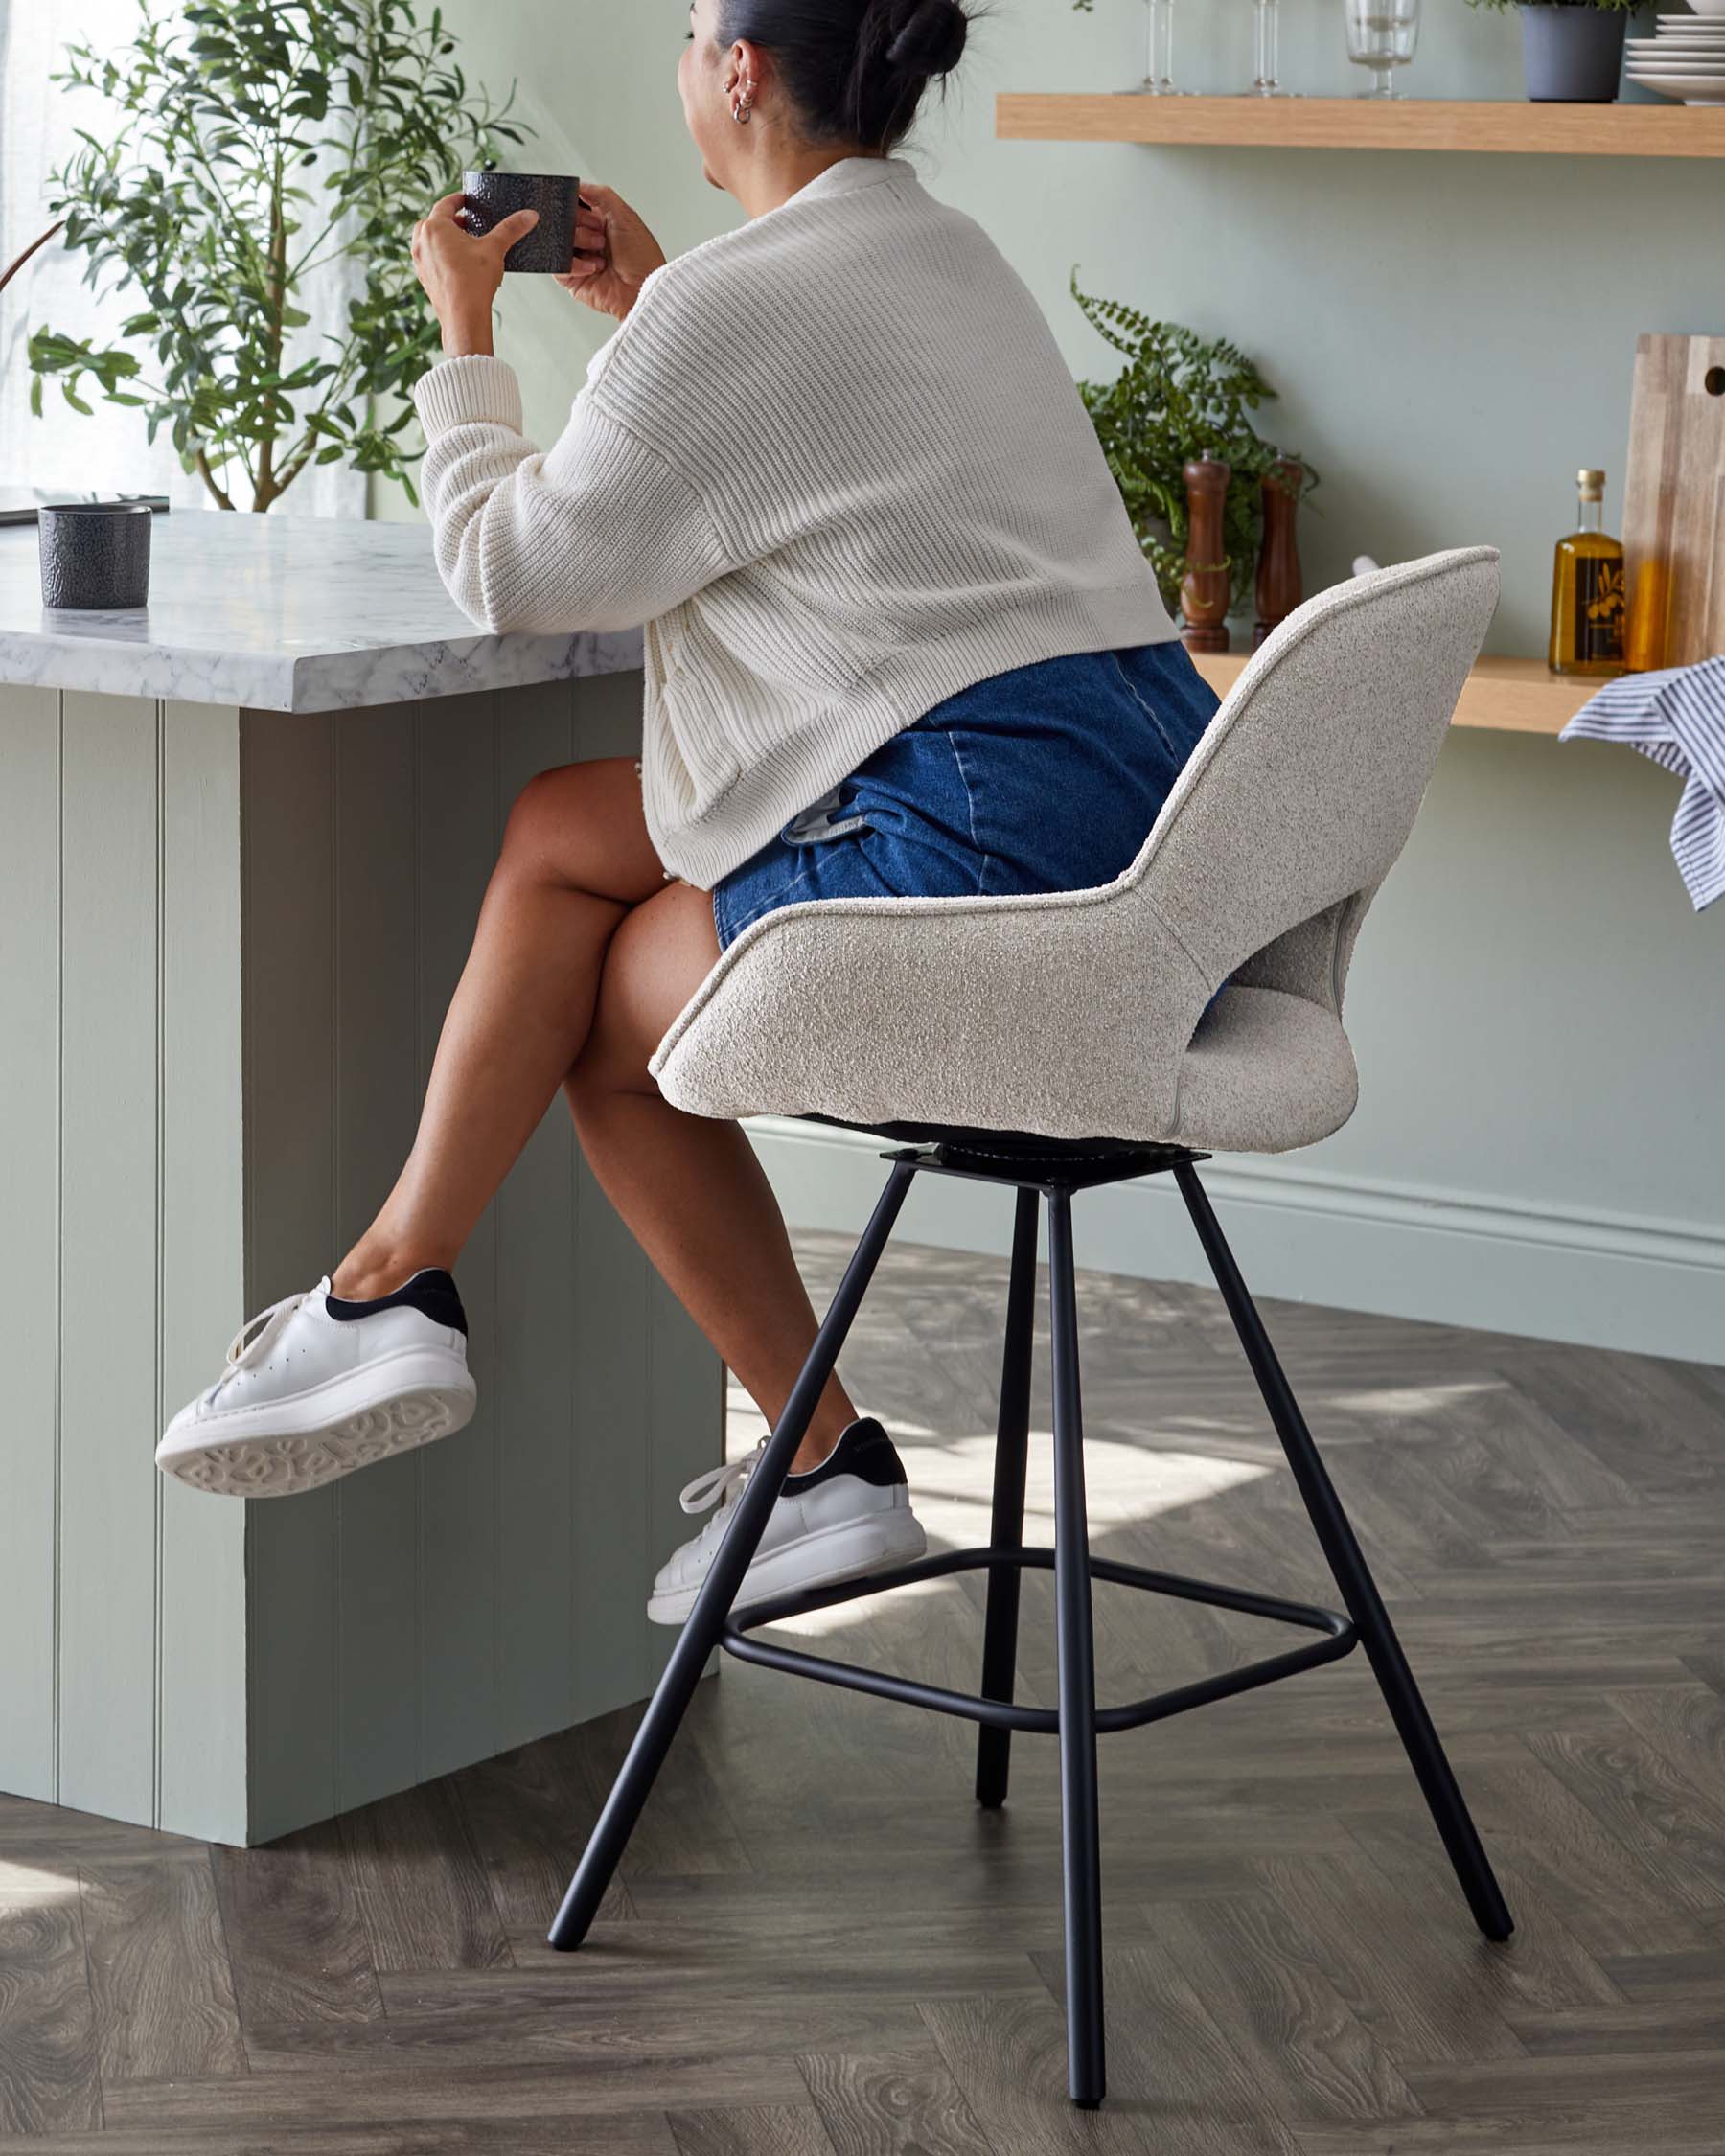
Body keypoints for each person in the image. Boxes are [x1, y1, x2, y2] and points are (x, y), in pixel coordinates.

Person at [154, 0, 1220, 1626]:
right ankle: (397, 1289)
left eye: (690, 29)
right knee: (558, 830)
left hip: (1001, 846)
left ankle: (772, 1433)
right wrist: (650, 310)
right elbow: (822, 470)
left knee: (602, 1006)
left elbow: (514, 570)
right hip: (1148, 810)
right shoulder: (948, 257)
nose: (678, 56)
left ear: (738, 72)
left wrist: (468, 332)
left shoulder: (732, 303)